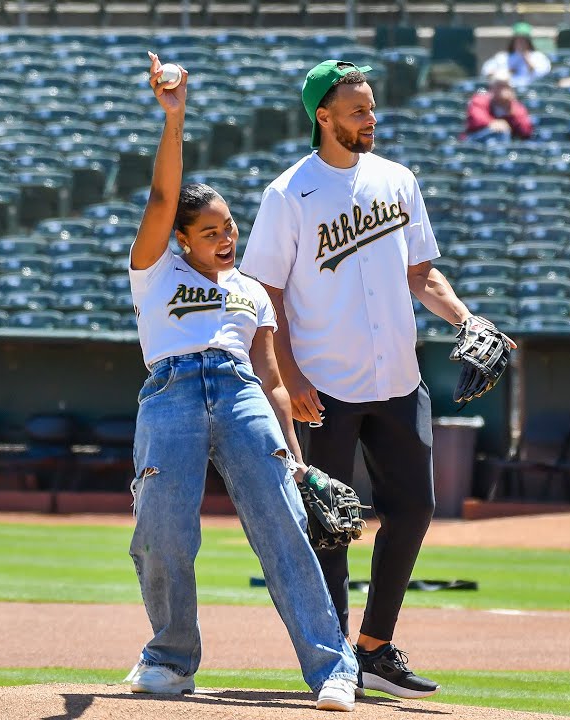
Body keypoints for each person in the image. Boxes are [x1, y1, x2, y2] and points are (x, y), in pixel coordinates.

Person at [241, 59, 515, 700]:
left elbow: (422, 274)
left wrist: (467, 318)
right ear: (324, 116)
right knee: (329, 523)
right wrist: (291, 374)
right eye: (358, 109)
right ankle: (333, 658)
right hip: (324, 385)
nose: (371, 118)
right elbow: (266, 294)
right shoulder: (289, 194)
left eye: (371, 107)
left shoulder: (398, 180)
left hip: (398, 376)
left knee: (415, 508)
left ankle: (372, 648)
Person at [123, 51, 359, 712]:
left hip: (239, 393)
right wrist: (175, 119)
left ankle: (333, 669)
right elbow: (163, 197)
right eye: (210, 231)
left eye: (229, 227)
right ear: (181, 240)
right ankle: (170, 660)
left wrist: (300, 463)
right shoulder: (155, 273)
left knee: (283, 527)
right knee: (161, 535)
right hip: (169, 392)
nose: (226, 237)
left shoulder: (252, 292)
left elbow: (273, 379)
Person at [463, 69, 534, 143]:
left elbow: (526, 131)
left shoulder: (516, 106)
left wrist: (511, 110)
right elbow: (476, 119)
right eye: (499, 86)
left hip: (505, 143)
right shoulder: (480, 100)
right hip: (477, 139)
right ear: (492, 87)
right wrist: (492, 123)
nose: (502, 90)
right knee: (499, 133)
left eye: (506, 86)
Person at [479, 21, 552, 89]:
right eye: (518, 39)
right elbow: (486, 71)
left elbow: (542, 74)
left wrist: (526, 58)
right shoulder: (503, 57)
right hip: (506, 92)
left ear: (529, 41)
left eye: (523, 40)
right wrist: (505, 72)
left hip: (530, 92)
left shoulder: (538, 56)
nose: (520, 43)